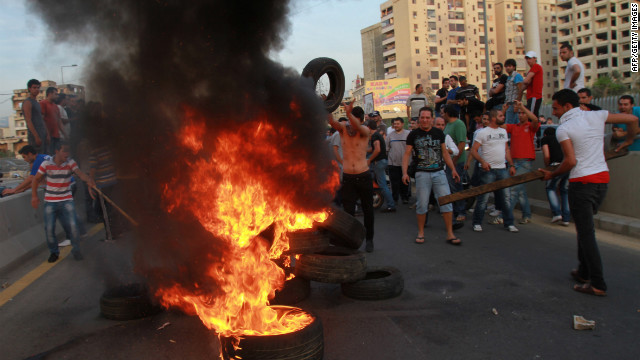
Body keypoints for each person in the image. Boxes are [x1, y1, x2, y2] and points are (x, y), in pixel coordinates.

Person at [540, 89, 638, 296]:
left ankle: (598, 283)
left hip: (582, 182)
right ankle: (584, 272)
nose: (554, 112)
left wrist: (552, 175)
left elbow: (570, 161)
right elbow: (632, 118)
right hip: (602, 180)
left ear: (567, 106)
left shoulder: (564, 128)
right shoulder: (596, 115)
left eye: (556, 108)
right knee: (584, 230)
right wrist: (630, 139)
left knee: (586, 234)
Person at [402, 107, 462, 246]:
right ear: (419, 118)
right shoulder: (413, 134)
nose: (424, 120)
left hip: (439, 173)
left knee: (446, 203)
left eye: (427, 117)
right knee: (422, 205)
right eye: (422, 117)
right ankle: (421, 232)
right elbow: (407, 154)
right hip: (421, 173)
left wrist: (453, 169)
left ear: (432, 119)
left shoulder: (438, 133)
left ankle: (450, 233)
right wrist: (404, 173)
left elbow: (445, 153)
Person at [31, 141, 96, 262]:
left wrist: (88, 180)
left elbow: (80, 173)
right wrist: (34, 196)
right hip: (50, 201)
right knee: (49, 228)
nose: (67, 153)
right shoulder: (46, 164)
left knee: (73, 226)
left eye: (68, 151)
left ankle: (76, 250)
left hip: (66, 199)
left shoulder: (70, 163)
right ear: (57, 151)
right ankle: (54, 252)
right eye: (64, 150)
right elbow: (35, 179)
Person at [328, 103, 375, 252]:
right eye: (348, 120)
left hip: (364, 176)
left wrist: (349, 115)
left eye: (353, 120)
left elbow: (358, 126)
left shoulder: (365, 130)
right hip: (348, 177)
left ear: (360, 120)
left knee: (368, 210)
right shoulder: (343, 130)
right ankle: (349, 242)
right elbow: (331, 121)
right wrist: (327, 106)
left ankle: (369, 239)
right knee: (348, 213)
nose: (350, 123)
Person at [470, 109, 519, 233]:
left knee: (506, 198)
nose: (503, 117)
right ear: (493, 118)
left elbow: (506, 150)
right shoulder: (483, 133)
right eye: (501, 116)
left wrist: (511, 165)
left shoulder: (503, 131)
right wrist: (482, 162)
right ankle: (477, 222)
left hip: (503, 169)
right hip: (488, 170)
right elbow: (474, 150)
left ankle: (509, 223)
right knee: (483, 198)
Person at [506, 100, 540, 224]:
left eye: (523, 113)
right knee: (520, 191)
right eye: (519, 113)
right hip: (515, 162)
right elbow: (501, 126)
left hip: (525, 162)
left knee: (514, 189)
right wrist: (505, 110)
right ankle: (527, 215)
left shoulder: (530, 127)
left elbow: (535, 120)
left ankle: (506, 216)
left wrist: (522, 107)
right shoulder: (514, 127)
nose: (520, 115)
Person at [442, 105, 468, 224]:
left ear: (447, 113)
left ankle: (461, 211)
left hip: (456, 162)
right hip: (448, 162)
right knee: (450, 187)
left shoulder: (459, 124)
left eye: (443, 113)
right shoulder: (448, 125)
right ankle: (454, 210)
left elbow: (461, 144)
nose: (442, 115)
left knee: (457, 186)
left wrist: (454, 161)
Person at [541, 127, 570, 226]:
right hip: (567, 166)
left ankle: (557, 213)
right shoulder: (561, 138)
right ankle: (566, 218)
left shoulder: (545, 139)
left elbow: (546, 155)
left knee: (550, 187)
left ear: (544, 134)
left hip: (555, 166)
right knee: (564, 190)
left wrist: (547, 167)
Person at [366, 119, 396, 213]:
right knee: (381, 183)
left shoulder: (375, 136)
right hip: (381, 161)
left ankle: (391, 205)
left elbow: (377, 149)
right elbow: (374, 148)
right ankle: (390, 203)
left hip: (379, 162)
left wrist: (370, 159)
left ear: (368, 127)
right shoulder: (377, 135)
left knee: (382, 184)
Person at [387, 117, 410, 204]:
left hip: (405, 163)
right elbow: (387, 149)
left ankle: (405, 197)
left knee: (405, 182)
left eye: (398, 124)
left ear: (402, 124)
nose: (396, 125)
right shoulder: (390, 136)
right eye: (394, 124)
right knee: (394, 182)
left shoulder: (408, 134)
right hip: (393, 163)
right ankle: (395, 198)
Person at [23, 79, 48, 154]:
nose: (36, 90)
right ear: (29, 89)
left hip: (42, 133)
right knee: (36, 157)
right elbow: (28, 120)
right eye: (34, 88)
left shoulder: (36, 102)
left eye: (38, 88)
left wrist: (46, 134)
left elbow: (41, 119)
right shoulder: (28, 102)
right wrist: (36, 136)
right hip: (34, 135)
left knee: (43, 158)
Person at [40, 87, 66, 155]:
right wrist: (47, 134)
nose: (57, 96)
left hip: (56, 136)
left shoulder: (55, 106)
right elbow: (42, 120)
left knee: (57, 154)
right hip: (48, 136)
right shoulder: (43, 103)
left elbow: (59, 121)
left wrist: (65, 134)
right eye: (55, 94)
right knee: (49, 155)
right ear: (50, 94)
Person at [330, 117, 347, 206]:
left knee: (340, 183)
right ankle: (339, 202)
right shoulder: (337, 134)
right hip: (339, 163)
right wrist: (341, 162)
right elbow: (335, 149)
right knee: (340, 183)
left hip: (340, 162)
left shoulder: (341, 133)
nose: (345, 125)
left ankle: (339, 201)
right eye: (343, 123)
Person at [521, 51, 544, 117]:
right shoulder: (532, 69)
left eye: (530, 58)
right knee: (533, 114)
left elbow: (526, 81)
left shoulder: (536, 67)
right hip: (532, 96)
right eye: (527, 59)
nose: (528, 60)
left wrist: (522, 86)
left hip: (534, 96)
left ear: (535, 58)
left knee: (531, 115)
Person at [503, 58, 524, 124]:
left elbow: (521, 89)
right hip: (509, 104)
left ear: (514, 67)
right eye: (506, 66)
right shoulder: (509, 77)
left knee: (511, 124)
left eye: (509, 66)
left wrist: (517, 104)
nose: (507, 68)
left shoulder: (516, 76)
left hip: (514, 104)